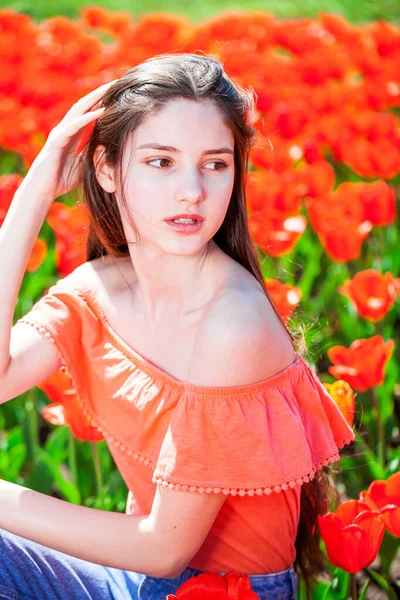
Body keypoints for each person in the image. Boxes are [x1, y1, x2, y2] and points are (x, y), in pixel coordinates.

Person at [0, 52, 355, 600]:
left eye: (215, 163)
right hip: (136, 577)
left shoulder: (231, 322)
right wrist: (34, 193)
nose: (192, 190)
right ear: (107, 169)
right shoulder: (100, 289)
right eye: (160, 162)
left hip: (225, 591)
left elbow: (165, 549)